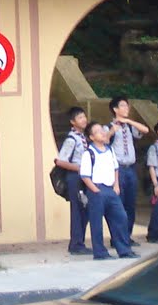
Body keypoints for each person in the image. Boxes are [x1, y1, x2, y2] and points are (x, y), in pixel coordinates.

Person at [78, 123, 138, 260]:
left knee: (121, 217)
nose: (103, 133)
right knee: (97, 223)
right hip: (97, 189)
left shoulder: (110, 150)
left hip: (111, 189)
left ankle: (124, 250)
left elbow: (115, 168)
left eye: (102, 130)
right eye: (98, 131)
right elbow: (85, 175)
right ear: (92, 137)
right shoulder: (89, 153)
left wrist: (116, 185)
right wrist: (95, 190)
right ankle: (100, 253)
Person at [108, 95, 149, 240]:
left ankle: (127, 236)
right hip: (118, 169)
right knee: (118, 204)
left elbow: (145, 130)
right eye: (123, 106)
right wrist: (113, 130)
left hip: (131, 168)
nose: (126, 108)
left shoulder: (130, 126)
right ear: (115, 109)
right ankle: (117, 238)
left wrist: (129, 121)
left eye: (127, 106)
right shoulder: (108, 126)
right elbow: (104, 140)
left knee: (130, 204)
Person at [56, 106, 91, 254]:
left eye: (84, 116)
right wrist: (78, 168)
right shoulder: (71, 139)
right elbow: (60, 161)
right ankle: (76, 244)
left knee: (85, 209)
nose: (84, 120)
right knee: (77, 210)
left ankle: (79, 242)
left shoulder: (83, 137)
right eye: (80, 118)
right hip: (75, 177)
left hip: (84, 177)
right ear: (73, 122)